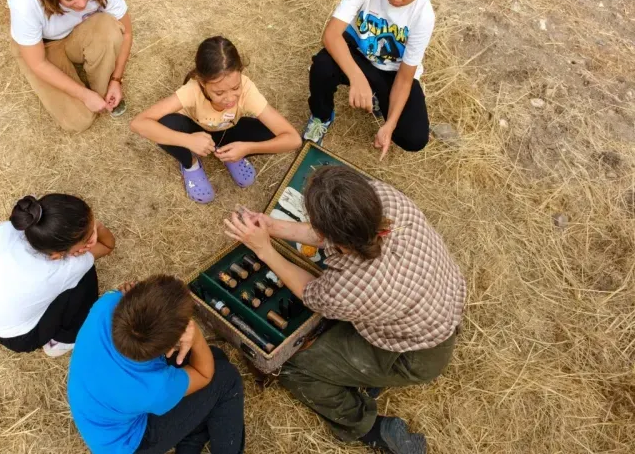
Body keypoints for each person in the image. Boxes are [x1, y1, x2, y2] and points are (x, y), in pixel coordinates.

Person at [224, 166, 465, 454]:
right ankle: (360, 375)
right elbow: (340, 234)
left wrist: (265, 250)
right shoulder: (386, 198)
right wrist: (272, 226)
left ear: (333, 238)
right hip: (440, 305)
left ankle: (367, 427)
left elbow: (309, 292)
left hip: (415, 355)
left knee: (291, 366)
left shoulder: (350, 288)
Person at [67, 274, 245, 454]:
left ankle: (191, 440)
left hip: (98, 410)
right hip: (129, 444)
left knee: (215, 356)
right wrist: (196, 336)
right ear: (169, 348)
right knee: (226, 378)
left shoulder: (106, 304)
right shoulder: (155, 387)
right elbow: (204, 375)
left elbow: (132, 297)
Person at [303, 0, 441, 158]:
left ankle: (377, 97)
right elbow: (331, 35)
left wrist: (390, 125)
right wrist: (357, 78)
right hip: (358, 52)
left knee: (414, 137)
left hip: (392, 72)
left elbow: (406, 77)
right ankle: (322, 116)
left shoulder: (424, 16)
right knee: (322, 66)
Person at [130, 36, 301, 204]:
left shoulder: (248, 90)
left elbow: (293, 139)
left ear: (240, 73)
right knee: (166, 124)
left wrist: (248, 148)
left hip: (226, 129)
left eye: (235, 87)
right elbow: (139, 123)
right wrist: (187, 140)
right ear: (202, 83)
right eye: (219, 93)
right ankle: (190, 163)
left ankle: (230, 151)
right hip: (193, 128)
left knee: (271, 131)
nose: (230, 98)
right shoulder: (191, 90)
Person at [7, 0, 133, 132]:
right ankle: (89, 95)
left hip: (77, 32)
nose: (82, 4)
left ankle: (102, 91)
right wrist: (83, 95)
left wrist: (117, 79)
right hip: (43, 46)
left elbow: (126, 33)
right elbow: (38, 63)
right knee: (79, 121)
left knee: (109, 28)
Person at [0, 194, 115, 357]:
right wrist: (98, 227)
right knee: (85, 275)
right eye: (87, 240)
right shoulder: (63, 269)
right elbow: (107, 245)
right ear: (57, 254)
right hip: (19, 337)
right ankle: (63, 341)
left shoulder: (9, 230)